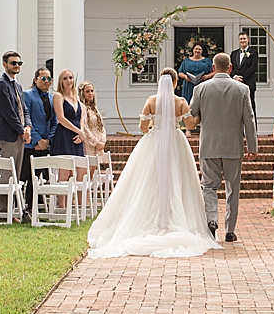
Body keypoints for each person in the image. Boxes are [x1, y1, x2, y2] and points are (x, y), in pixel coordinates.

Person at [86, 69, 220, 258]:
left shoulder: (150, 101)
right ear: (175, 82)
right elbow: (191, 125)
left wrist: (154, 128)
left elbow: (143, 128)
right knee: (178, 179)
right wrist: (200, 114)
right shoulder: (180, 102)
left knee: (148, 180)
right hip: (175, 142)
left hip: (153, 142)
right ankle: (176, 219)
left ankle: (152, 219)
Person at [188, 52, 259, 242]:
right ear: (230, 68)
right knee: (232, 189)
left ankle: (212, 220)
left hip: (209, 145)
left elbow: (191, 113)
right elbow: (249, 119)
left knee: (209, 187)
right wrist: (252, 145)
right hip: (233, 146)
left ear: (212, 68)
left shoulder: (201, 89)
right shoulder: (242, 89)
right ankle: (230, 231)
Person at [0, 51, 30, 197]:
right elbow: (8, 113)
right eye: (13, 63)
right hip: (9, 135)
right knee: (8, 173)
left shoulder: (18, 86)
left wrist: (28, 127)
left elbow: (24, 109)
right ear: (4, 64)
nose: (16, 66)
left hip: (20, 134)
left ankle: (13, 208)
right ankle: (4, 210)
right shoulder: (1, 85)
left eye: (19, 63)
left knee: (17, 173)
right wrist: (22, 130)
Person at [23, 67, 58, 211]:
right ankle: (21, 205)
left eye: (49, 78)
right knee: (25, 176)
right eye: (43, 78)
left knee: (37, 177)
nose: (46, 81)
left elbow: (54, 121)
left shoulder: (52, 97)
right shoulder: (28, 95)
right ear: (35, 79)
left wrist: (48, 140)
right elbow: (27, 118)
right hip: (31, 144)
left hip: (44, 145)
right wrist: (38, 140)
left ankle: (35, 205)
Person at [52, 70, 87, 156]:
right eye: (65, 78)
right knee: (66, 167)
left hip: (78, 136)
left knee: (80, 166)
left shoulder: (76, 96)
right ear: (61, 81)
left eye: (70, 78)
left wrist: (81, 133)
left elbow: (81, 118)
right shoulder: (58, 96)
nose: (68, 81)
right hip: (64, 134)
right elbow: (61, 119)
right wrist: (79, 131)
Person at [230, 32, 259, 118]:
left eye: (244, 38)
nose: (242, 41)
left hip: (248, 83)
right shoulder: (234, 53)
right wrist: (235, 77)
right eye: (241, 39)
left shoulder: (253, 52)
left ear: (248, 40)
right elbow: (231, 67)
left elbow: (253, 68)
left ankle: (253, 130)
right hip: (236, 84)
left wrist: (241, 78)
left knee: (250, 107)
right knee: (236, 107)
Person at [80, 82, 107, 157]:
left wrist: (102, 141)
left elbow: (101, 126)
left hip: (98, 143)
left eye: (92, 91)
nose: (90, 93)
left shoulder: (94, 108)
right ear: (82, 93)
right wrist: (96, 142)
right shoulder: (82, 107)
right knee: (89, 167)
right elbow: (85, 127)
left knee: (96, 167)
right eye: (87, 91)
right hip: (89, 143)